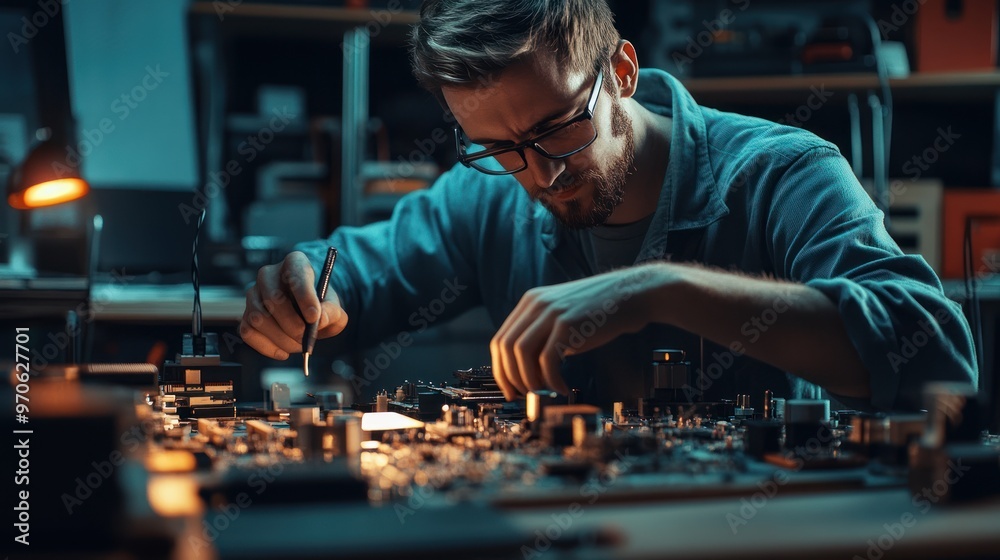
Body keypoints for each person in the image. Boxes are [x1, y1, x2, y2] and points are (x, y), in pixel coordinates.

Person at [239, 0, 976, 412]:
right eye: (497, 147)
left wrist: (662, 290)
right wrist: (311, 290)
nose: (539, 175)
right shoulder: (488, 191)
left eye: (558, 128)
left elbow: (934, 351)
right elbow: (368, 272)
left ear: (621, 70)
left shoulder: (782, 172)